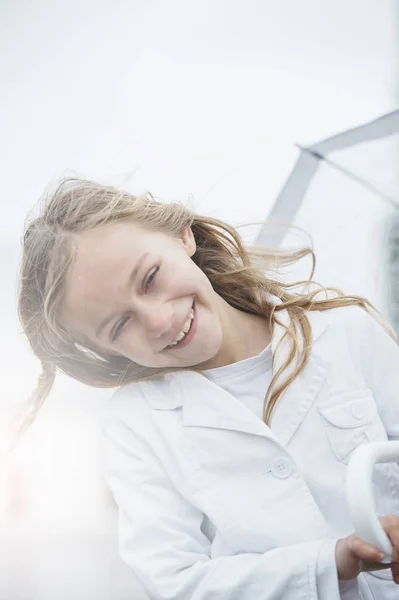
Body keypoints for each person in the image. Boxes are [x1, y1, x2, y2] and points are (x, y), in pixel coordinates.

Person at [18, 176, 399, 600]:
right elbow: (177, 582)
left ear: (182, 235)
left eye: (150, 278)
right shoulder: (136, 424)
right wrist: (332, 563)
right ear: (102, 350)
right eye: (121, 325)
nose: (159, 320)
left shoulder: (345, 332)